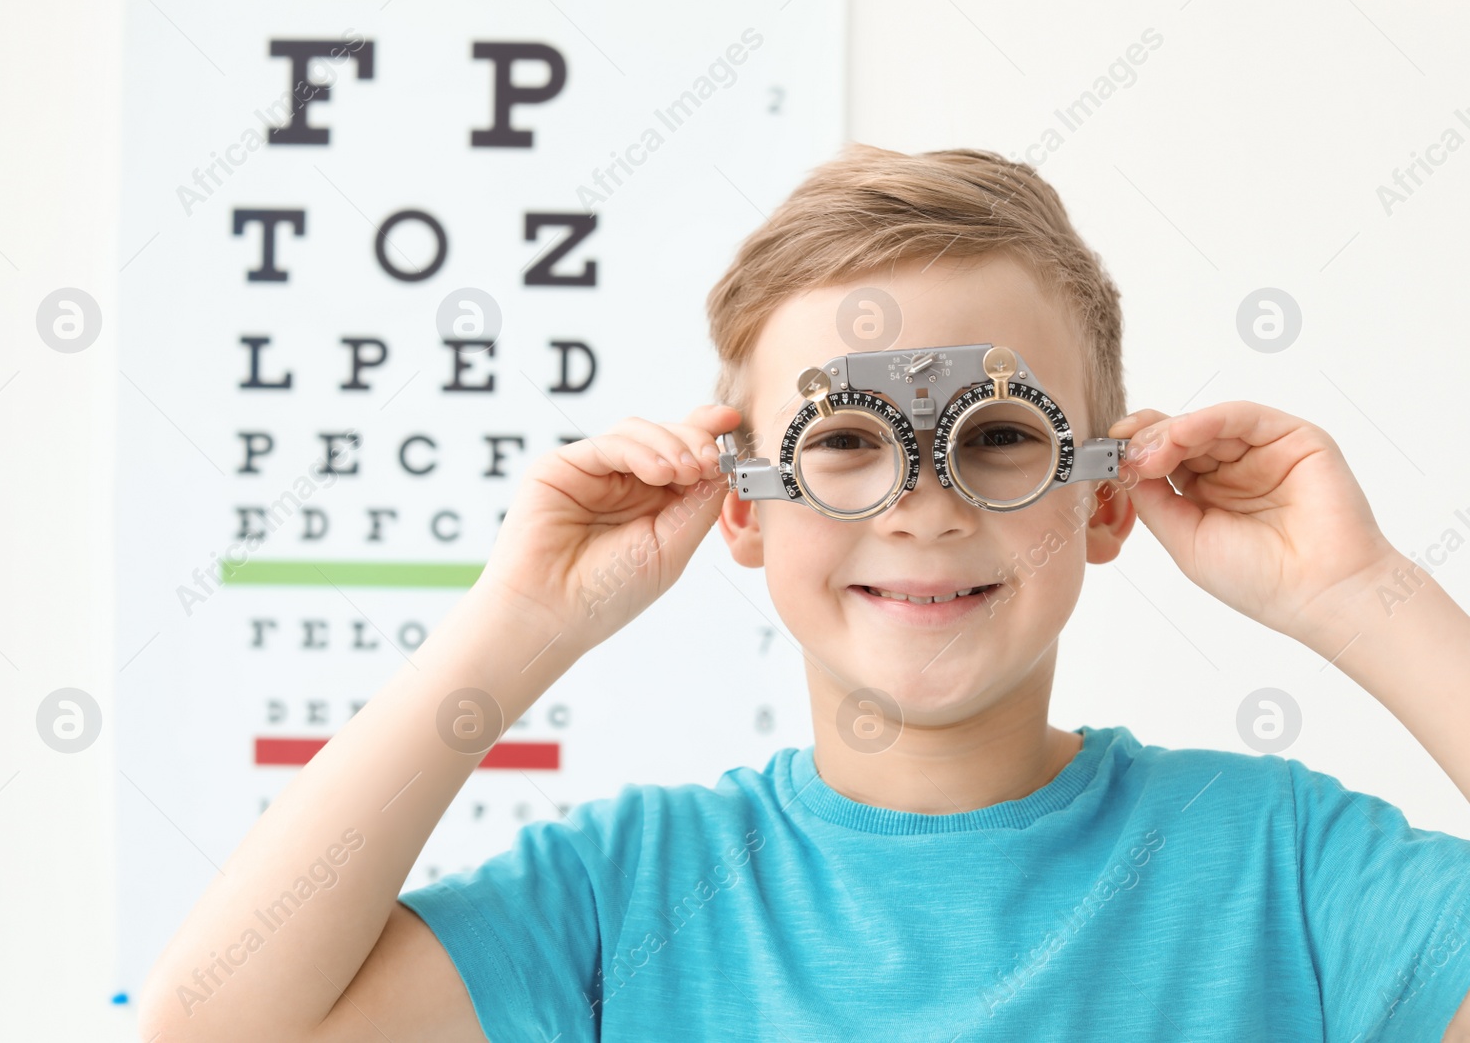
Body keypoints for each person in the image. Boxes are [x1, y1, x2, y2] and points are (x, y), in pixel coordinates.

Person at [137, 143, 1470, 1041]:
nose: (922, 501)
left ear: (1106, 493)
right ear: (744, 508)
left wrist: (1361, 594)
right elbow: (211, 1027)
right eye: (843, 444)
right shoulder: (630, 896)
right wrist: (517, 624)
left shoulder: (1285, 872)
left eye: (998, 436)